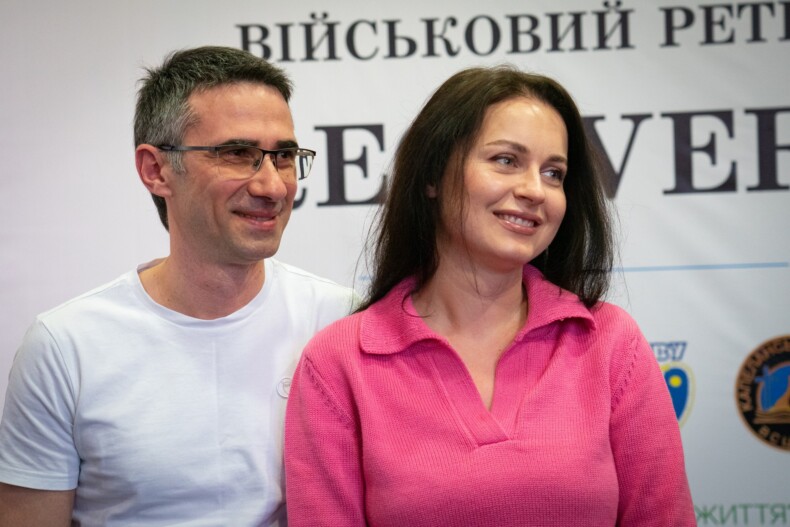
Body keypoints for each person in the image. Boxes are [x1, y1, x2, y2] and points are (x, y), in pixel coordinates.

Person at [284, 65, 696, 526]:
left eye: (554, 173)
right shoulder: (338, 362)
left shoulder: (610, 341)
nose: (534, 190)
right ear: (432, 175)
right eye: (505, 160)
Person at [0, 46, 358, 526]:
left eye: (285, 156)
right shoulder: (66, 346)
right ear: (156, 170)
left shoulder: (340, 320)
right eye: (238, 154)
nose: (273, 186)